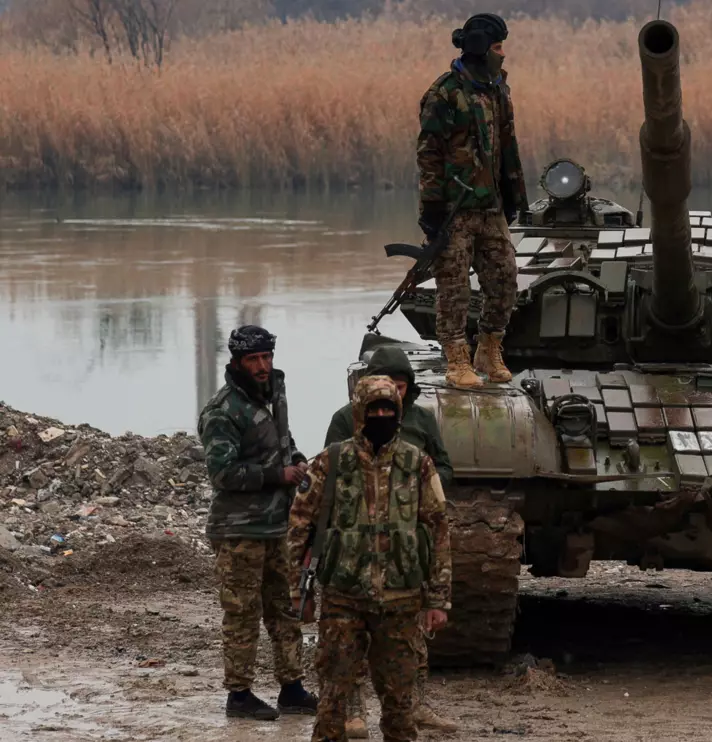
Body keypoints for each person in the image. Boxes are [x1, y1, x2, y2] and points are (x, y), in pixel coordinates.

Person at [288, 376, 453, 742]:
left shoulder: (418, 464)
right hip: (343, 599)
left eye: (388, 409)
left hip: (401, 600)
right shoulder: (332, 461)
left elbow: (438, 530)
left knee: (399, 702)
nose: (381, 415)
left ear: (397, 413)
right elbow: (299, 525)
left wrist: (438, 600)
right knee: (333, 697)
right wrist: (298, 592)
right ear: (360, 413)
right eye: (373, 409)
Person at [198, 324, 318, 720]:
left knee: (283, 608)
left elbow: (281, 440)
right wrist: (276, 476)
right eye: (254, 359)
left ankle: (292, 688)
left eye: (267, 357)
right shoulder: (223, 411)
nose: (263, 366)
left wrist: (297, 459)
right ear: (237, 362)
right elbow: (222, 474)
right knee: (242, 613)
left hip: (275, 526)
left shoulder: (273, 394)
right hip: (238, 532)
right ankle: (239, 696)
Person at [417, 11, 529, 390]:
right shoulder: (445, 93)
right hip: (454, 209)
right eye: (499, 47)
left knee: (505, 279)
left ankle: (488, 348)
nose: (503, 55)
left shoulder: (498, 90)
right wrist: (431, 209)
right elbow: (429, 154)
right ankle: (456, 359)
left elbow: (507, 146)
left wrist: (515, 196)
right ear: (481, 48)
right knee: (454, 288)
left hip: (491, 206)